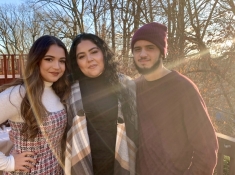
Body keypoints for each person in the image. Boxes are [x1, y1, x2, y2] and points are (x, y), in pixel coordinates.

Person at [131, 22, 218, 175]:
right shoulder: (134, 88)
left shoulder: (183, 88)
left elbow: (207, 150)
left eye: (150, 48)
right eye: (137, 49)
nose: (142, 54)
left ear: (162, 52)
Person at [65, 33, 137, 175]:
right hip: (83, 165)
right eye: (81, 56)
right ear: (76, 62)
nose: (89, 59)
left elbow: (138, 127)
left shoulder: (126, 84)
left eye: (94, 52)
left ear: (103, 53)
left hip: (120, 164)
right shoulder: (70, 91)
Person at [0, 35, 71, 174]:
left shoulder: (57, 90)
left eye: (61, 61)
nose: (56, 66)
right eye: (49, 59)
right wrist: (8, 163)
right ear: (36, 60)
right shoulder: (19, 94)